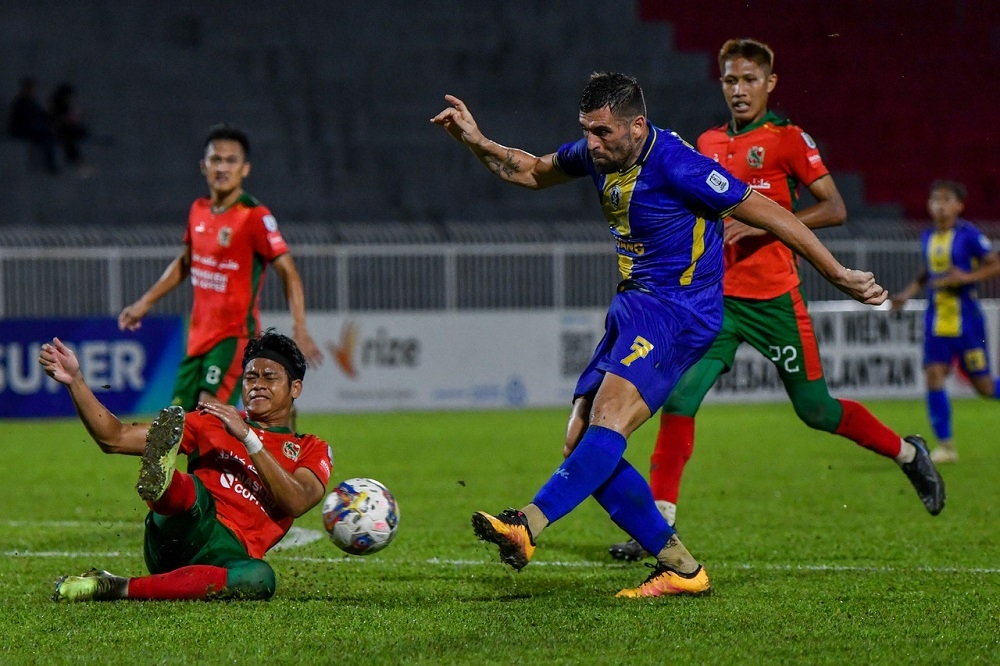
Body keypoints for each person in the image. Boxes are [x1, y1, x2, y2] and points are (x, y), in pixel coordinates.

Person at [432, 71, 890, 598]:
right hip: (634, 306)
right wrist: (476, 141)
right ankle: (681, 568)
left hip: (679, 311)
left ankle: (529, 522)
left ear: (636, 126)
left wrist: (838, 274)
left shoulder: (679, 165)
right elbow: (532, 171)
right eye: (586, 130)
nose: (592, 143)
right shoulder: (601, 153)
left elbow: (773, 214)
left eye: (602, 132)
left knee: (607, 421)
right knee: (580, 440)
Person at [608, 38, 946, 563]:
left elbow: (833, 208)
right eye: (729, 80)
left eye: (748, 80)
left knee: (816, 410)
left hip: (773, 299)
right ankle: (658, 525)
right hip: (715, 301)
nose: (738, 90)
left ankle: (907, 452)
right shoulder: (706, 140)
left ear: (770, 84)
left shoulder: (787, 140)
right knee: (679, 399)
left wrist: (762, 229)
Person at [41, 329, 332, 602]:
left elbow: (296, 501)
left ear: (295, 388)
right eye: (250, 377)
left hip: (227, 556)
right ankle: (164, 484)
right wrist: (76, 381)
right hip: (179, 532)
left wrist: (247, 437)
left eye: (269, 377)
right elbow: (114, 438)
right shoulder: (212, 421)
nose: (257, 385)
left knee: (260, 577)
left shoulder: (311, 448)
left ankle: (116, 585)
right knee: (194, 493)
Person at [118, 124, 323, 412]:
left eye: (231, 160)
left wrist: (299, 328)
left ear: (245, 169)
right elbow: (186, 262)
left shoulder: (254, 216)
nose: (223, 167)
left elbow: (288, 271)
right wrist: (145, 302)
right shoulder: (198, 210)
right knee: (178, 421)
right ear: (204, 166)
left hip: (233, 336)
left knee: (208, 412)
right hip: (198, 337)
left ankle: (251, 445)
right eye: (216, 159)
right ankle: (247, 447)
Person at [890, 180, 1000, 464]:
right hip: (936, 320)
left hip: (967, 322)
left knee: (985, 388)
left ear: (959, 205)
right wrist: (907, 294)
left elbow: (994, 263)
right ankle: (946, 447)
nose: (940, 204)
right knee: (933, 375)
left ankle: (946, 445)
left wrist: (966, 278)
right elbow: (928, 271)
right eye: (935, 199)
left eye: (946, 199)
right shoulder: (928, 236)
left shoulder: (969, 235)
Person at [6, 76, 58, 173]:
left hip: (31, 128)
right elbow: (25, 118)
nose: (33, 91)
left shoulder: (32, 101)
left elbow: (41, 115)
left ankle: (49, 164)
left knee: (48, 134)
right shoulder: (20, 102)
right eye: (31, 88)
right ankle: (50, 165)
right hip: (21, 129)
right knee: (46, 134)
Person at [48, 82, 89, 170]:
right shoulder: (57, 106)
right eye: (69, 96)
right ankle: (76, 161)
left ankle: (75, 160)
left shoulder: (66, 106)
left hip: (66, 129)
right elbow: (55, 120)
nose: (71, 99)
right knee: (68, 139)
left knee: (73, 135)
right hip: (59, 131)